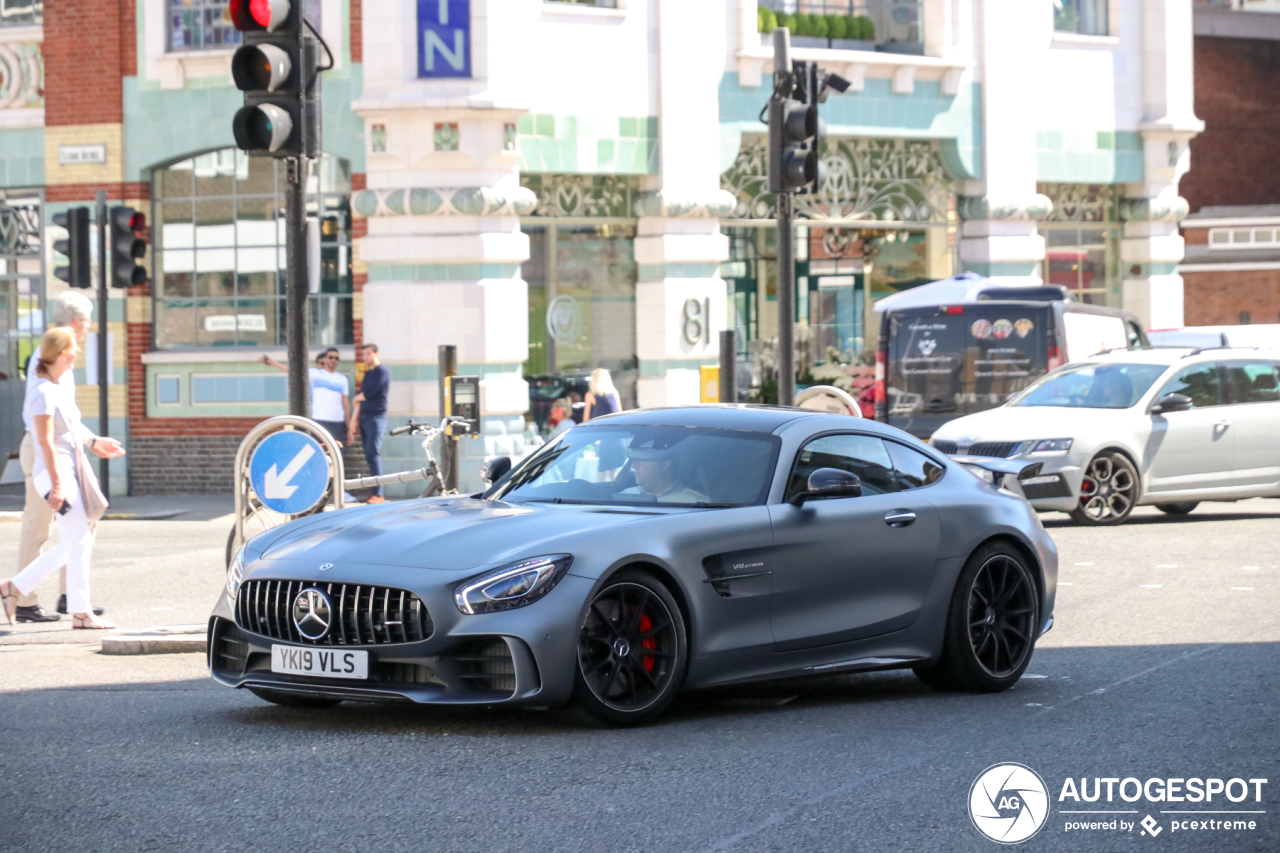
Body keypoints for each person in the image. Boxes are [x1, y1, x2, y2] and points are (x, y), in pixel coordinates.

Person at [15, 292, 123, 622]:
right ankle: (22, 597)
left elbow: (68, 416)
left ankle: (70, 596)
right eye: (87, 323)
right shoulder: (48, 360)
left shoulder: (63, 359)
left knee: (84, 521)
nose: (89, 329)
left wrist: (91, 441)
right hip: (43, 449)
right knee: (39, 526)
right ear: (76, 323)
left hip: (65, 446)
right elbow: (46, 424)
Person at [260, 348, 351, 444]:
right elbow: (292, 370)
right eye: (331, 357)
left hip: (337, 421)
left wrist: (349, 428)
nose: (333, 360)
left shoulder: (342, 379)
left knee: (337, 452)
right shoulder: (316, 374)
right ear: (325, 359)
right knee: (318, 451)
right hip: (319, 420)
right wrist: (271, 362)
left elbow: (345, 404)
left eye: (336, 358)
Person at [349, 343, 390, 504]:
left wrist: (358, 397)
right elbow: (360, 397)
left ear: (376, 354)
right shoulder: (367, 374)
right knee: (368, 455)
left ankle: (379, 494)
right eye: (363, 354)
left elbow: (369, 393)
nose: (365, 357)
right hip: (365, 417)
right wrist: (354, 420)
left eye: (368, 353)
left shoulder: (382, 372)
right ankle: (374, 491)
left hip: (376, 418)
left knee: (373, 455)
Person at [619, 432, 709, 504]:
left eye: (641, 459)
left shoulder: (695, 502)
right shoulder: (624, 496)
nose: (633, 465)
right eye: (633, 460)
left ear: (664, 464)